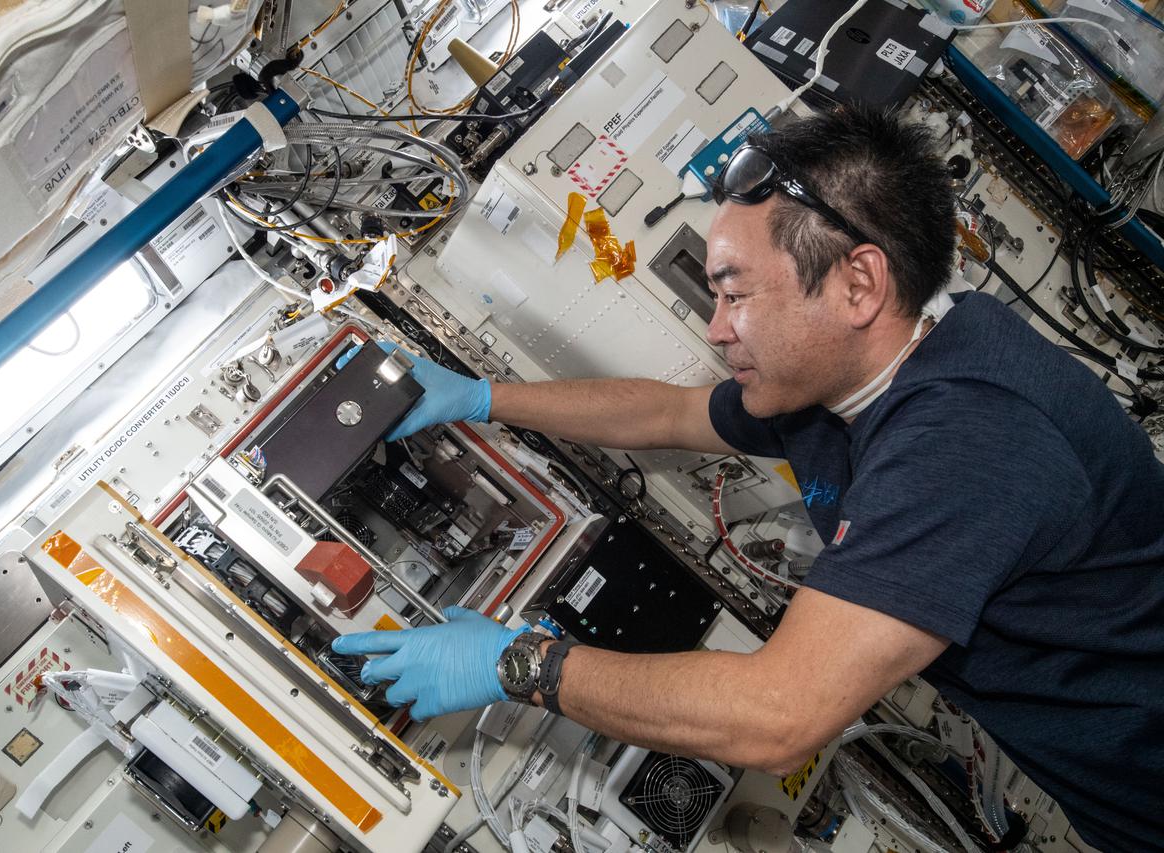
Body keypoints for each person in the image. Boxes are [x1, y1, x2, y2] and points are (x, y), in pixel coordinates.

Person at [334, 107, 1164, 851]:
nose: (716, 324)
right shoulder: (843, 382)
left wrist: (520, 664)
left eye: (733, 293)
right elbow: (664, 415)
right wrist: (479, 397)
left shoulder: (969, 435)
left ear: (858, 283)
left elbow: (779, 714)